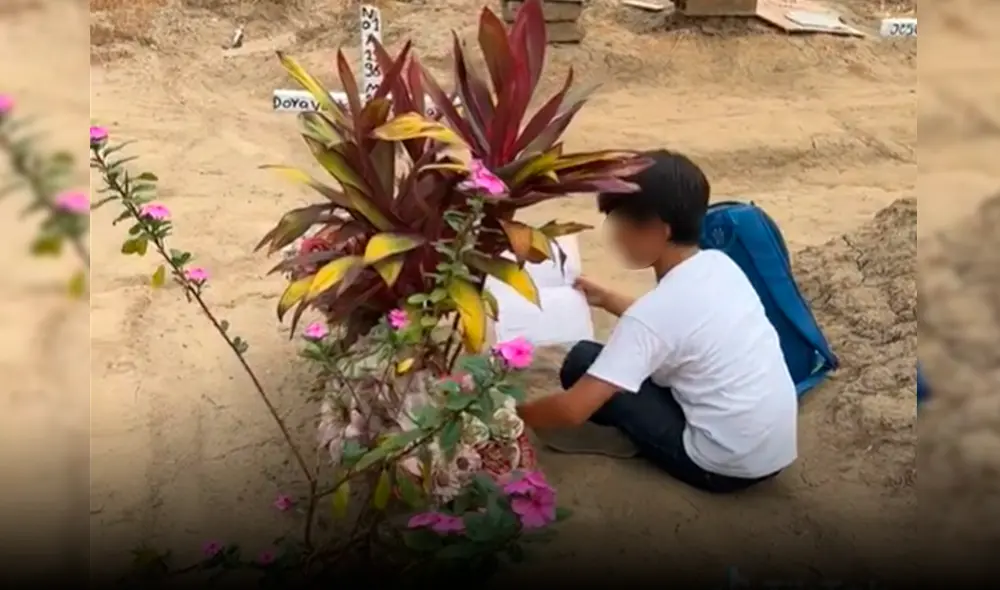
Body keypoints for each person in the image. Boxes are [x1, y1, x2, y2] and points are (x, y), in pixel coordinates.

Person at [516, 149, 798, 494]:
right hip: (773, 451)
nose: (616, 237)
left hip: (721, 468)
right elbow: (673, 326)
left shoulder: (652, 315)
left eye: (619, 224)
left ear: (656, 230)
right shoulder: (719, 265)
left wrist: (514, 416)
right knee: (619, 362)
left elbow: (573, 410)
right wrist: (606, 298)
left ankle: (637, 440)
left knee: (582, 361)